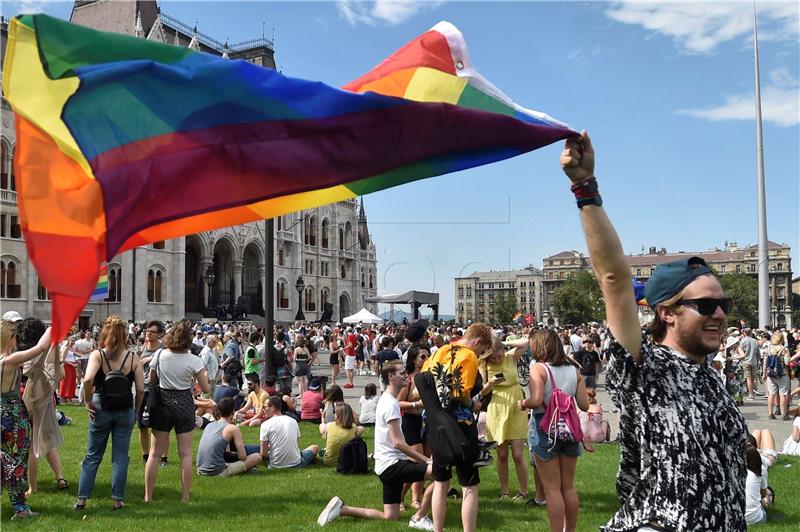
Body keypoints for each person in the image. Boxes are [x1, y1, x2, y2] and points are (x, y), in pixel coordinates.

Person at [560, 131, 747, 530]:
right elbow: (613, 277)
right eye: (705, 305)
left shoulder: (709, 377)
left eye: (723, 305)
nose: (719, 314)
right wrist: (585, 188)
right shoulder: (646, 368)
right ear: (667, 313)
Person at [318, 361, 435, 530]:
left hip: (384, 466)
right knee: (440, 474)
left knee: (390, 517)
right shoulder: (391, 404)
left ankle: (342, 509)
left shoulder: (387, 399)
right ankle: (420, 517)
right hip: (391, 466)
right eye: (401, 373)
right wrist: (425, 460)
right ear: (390, 377)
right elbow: (397, 443)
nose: (405, 376)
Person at [418, 323, 492, 532]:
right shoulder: (468, 356)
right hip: (461, 427)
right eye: (482, 350)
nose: (479, 355)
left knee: (441, 482)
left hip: (436, 425)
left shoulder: (439, 351)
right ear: (477, 342)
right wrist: (474, 404)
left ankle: (438, 529)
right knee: (470, 485)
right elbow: (461, 393)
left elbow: (423, 382)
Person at [519, 329, 589, 531]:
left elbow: (537, 401)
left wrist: (523, 402)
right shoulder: (573, 370)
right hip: (569, 429)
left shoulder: (539, 369)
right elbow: (584, 405)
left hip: (545, 428)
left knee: (552, 489)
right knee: (568, 486)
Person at [75, 316, 145, 511]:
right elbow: (140, 389)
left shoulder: (98, 355)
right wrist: (136, 409)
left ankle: (82, 499)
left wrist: (88, 400)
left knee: (93, 454)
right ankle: (117, 499)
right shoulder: (133, 357)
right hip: (125, 408)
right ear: (125, 335)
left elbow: (88, 379)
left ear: (105, 333)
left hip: (101, 405)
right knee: (121, 456)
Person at [144, 320, 211, 502]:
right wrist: (203, 376)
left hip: (163, 401)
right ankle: (185, 496)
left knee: (155, 453)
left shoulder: (160, 354)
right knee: (186, 453)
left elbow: (151, 379)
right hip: (184, 402)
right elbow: (206, 389)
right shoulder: (193, 360)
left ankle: (148, 496)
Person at [0, 317, 51, 519]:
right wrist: (53, 327)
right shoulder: (10, 360)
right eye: (15, 336)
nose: (17, 340)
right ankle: (20, 508)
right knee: (17, 459)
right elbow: (40, 348)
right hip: (12, 413)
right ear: (8, 337)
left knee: (3, 458)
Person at [479, 338, 528, 502]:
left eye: (498, 356)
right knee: (501, 454)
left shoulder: (510, 356)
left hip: (515, 404)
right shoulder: (484, 364)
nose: (497, 360)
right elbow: (482, 393)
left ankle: (523, 492)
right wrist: (491, 383)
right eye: (493, 358)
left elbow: (526, 342)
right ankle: (505, 492)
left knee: (518, 454)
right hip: (496, 407)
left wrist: (505, 343)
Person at [196, 397, 262, 477]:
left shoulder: (209, 425)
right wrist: (235, 456)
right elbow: (243, 457)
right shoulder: (232, 428)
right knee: (257, 457)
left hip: (200, 469)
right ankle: (249, 468)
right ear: (233, 412)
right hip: (217, 472)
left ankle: (248, 468)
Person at [138, 320, 168, 466]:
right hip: (142, 389)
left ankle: (163, 457)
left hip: (158, 390)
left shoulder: (163, 350)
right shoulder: (141, 348)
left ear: (160, 334)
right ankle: (145, 455)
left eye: (152, 331)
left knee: (160, 426)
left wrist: (150, 358)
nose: (148, 333)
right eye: (147, 331)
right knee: (142, 425)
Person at [258, 395, 319, 468]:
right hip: (296, 463)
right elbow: (296, 444)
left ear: (272, 408)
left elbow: (263, 454)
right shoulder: (293, 421)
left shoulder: (265, 425)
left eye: (265, 407)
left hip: (275, 465)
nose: (263, 410)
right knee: (315, 447)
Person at [763, 331, 791, 420]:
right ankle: (784, 414)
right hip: (783, 374)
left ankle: (770, 413)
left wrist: (764, 374)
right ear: (781, 339)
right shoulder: (784, 349)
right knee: (783, 394)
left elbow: (765, 363)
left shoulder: (769, 349)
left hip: (771, 374)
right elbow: (787, 362)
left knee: (771, 394)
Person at [744, 446, 770, 526]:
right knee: (768, 494)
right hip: (757, 519)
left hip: (737, 519)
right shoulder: (761, 472)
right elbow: (763, 495)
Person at [739, 328, 763, 399]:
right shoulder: (755, 341)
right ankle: (753, 391)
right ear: (751, 333)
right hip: (754, 361)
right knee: (753, 378)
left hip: (745, 361)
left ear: (744, 333)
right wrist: (760, 361)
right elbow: (758, 353)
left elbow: (740, 351)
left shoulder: (742, 341)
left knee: (748, 378)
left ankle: (751, 394)